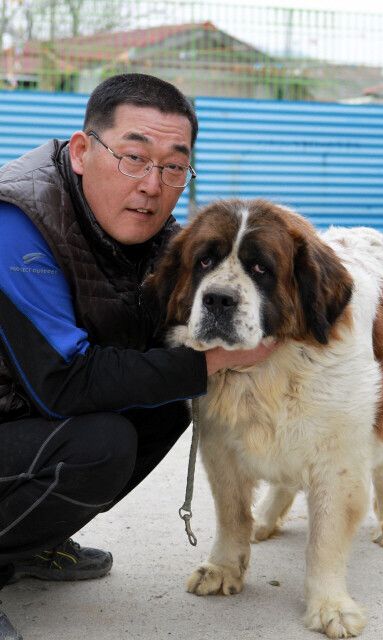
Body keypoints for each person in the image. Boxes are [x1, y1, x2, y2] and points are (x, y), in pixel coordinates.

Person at [0, 73, 278, 639]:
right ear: (82, 152)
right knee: (99, 445)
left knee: (166, 395)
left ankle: (31, 543)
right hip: (32, 400)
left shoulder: (156, 238)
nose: (152, 184)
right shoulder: (14, 223)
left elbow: (181, 329)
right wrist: (213, 363)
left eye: (174, 167)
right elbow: (62, 382)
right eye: (133, 157)